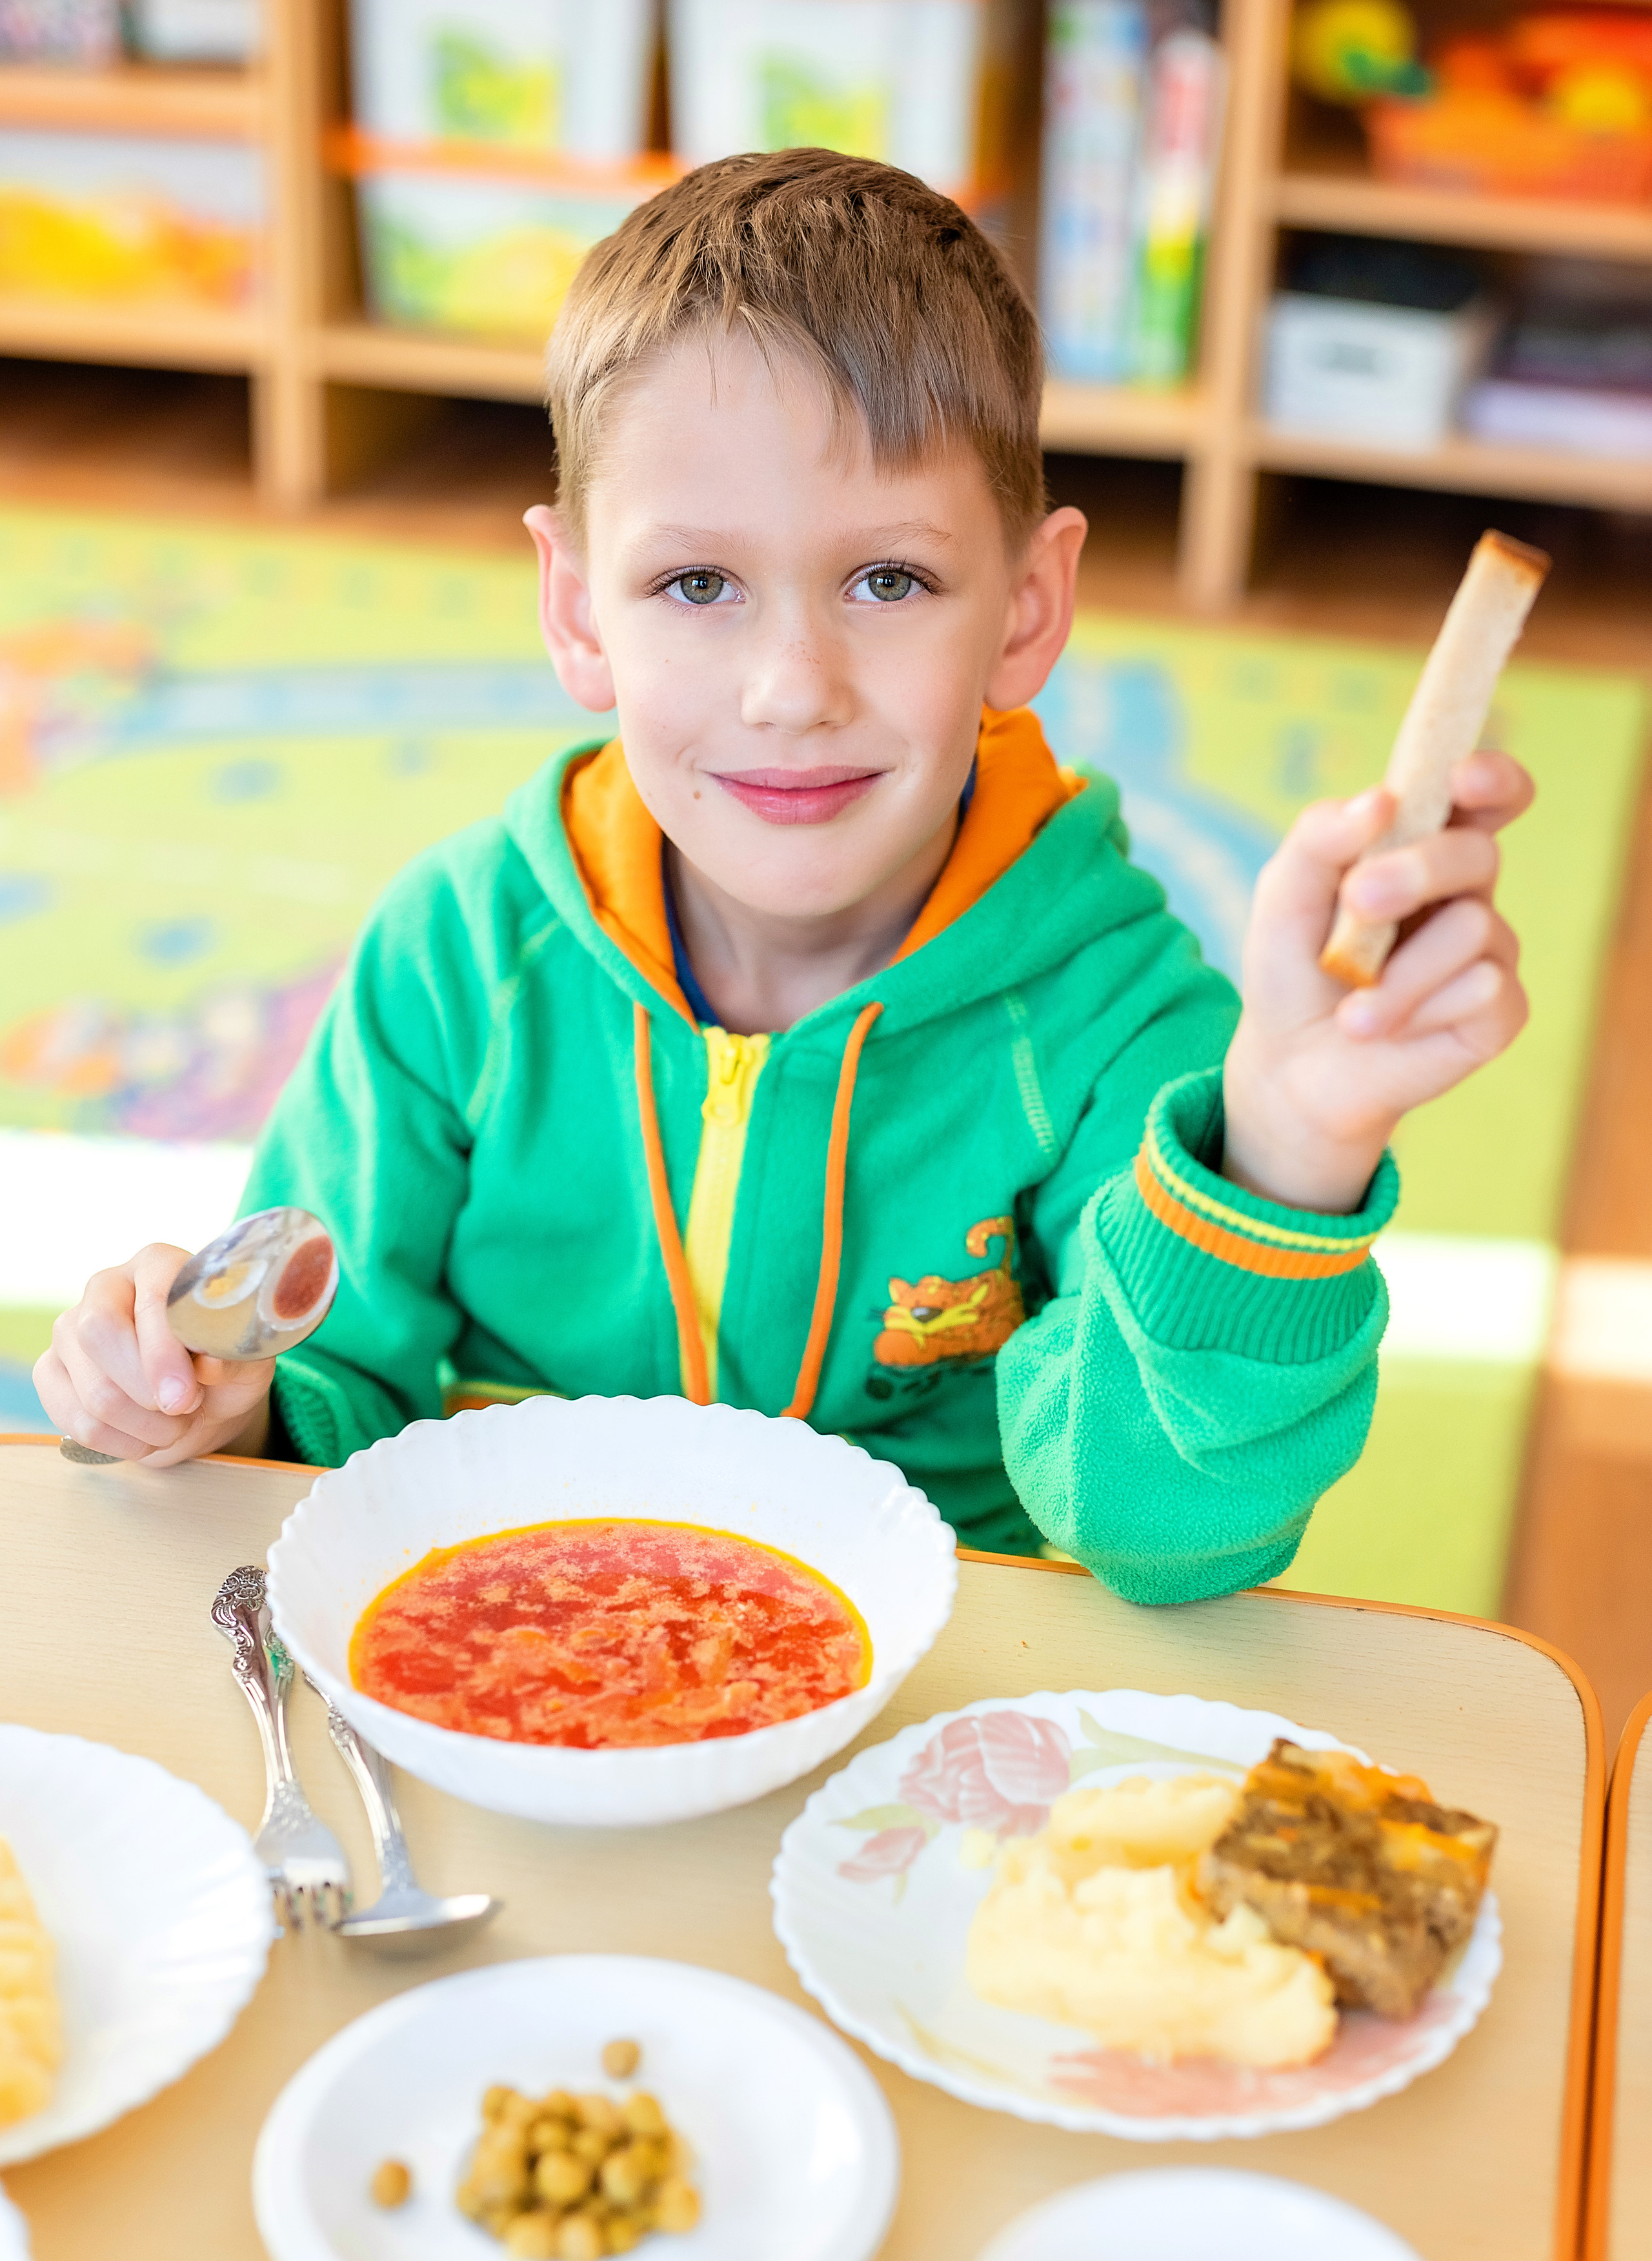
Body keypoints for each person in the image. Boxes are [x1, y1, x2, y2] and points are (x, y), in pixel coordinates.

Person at [34, 149, 1533, 1603]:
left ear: (1024, 607)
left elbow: (1162, 1534)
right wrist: (211, 1404)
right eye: (696, 584)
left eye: (887, 581)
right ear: (576, 610)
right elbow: (324, 1388)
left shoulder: (1127, 1033)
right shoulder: (453, 956)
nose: (788, 688)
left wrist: (1281, 1147)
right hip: (503, 1673)